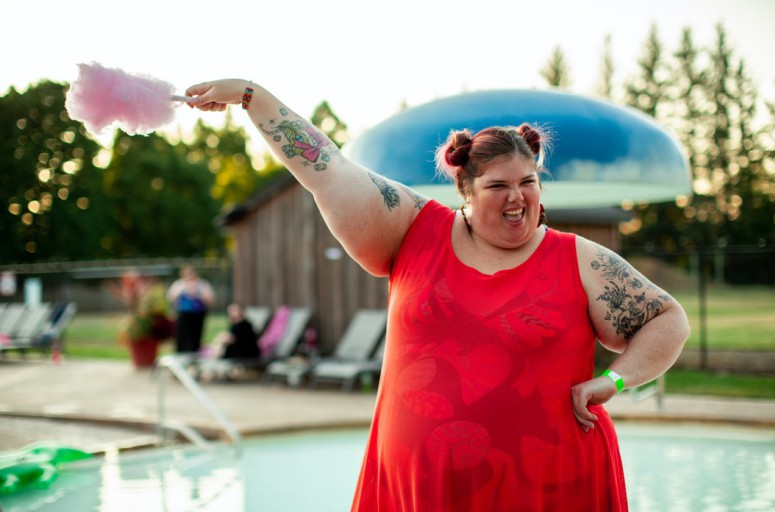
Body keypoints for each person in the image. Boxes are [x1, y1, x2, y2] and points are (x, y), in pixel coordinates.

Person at [184, 79, 690, 511]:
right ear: (465, 192)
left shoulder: (578, 259)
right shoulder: (412, 229)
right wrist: (252, 96)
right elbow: (327, 167)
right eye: (498, 186)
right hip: (418, 490)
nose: (518, 197)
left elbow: (667, 319)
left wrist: (614, 382)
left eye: (529, 182)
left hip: (549, 487)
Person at [166, 265, 215, 354]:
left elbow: (210, 298)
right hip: (184, 315)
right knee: (182, 336)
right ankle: (181, 353)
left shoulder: (202, 284)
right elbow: (171, 297)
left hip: (197, 315)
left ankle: (194, 353)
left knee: (195, 336)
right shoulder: (179, 284)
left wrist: (197, 293)